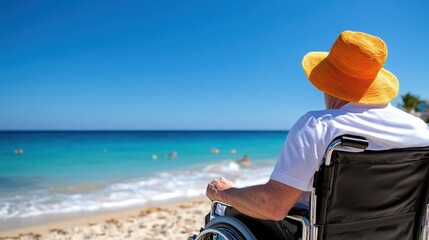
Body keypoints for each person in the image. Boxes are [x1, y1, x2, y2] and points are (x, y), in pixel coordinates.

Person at [205, 30, 429, 221]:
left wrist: (225, 192)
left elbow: (273, 206)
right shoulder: (419, 131)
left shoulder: (318, 125)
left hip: (318, 232)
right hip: (393, 232)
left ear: (330, 84)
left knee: (223, 213)